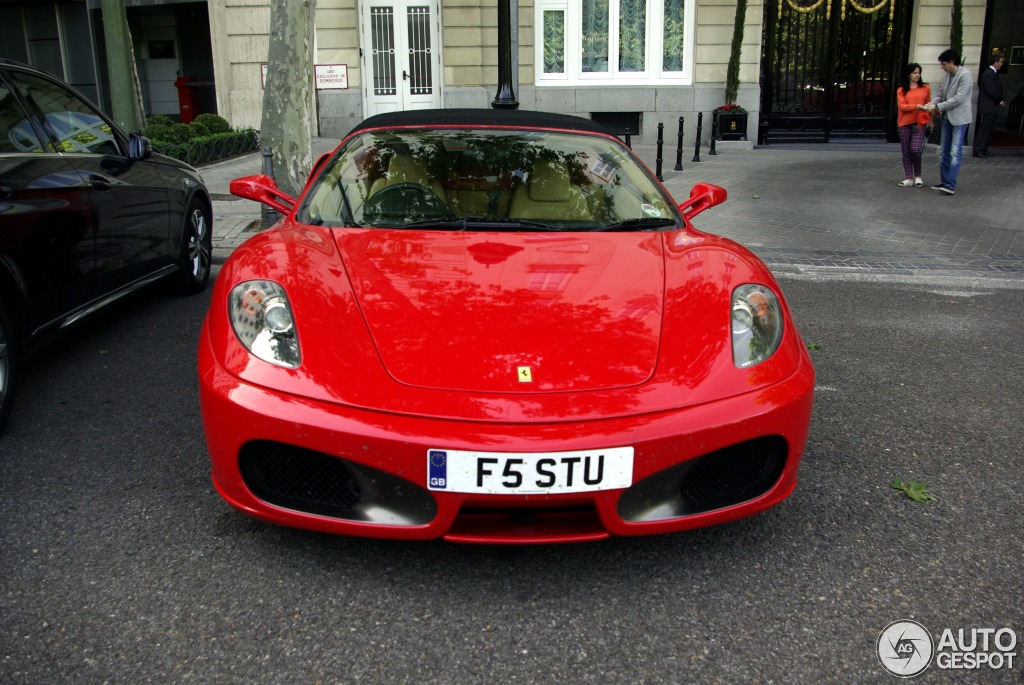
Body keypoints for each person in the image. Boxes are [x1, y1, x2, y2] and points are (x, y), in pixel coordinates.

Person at [923, 50, 972, 195]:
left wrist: (937, 107)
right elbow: (940, 95)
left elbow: (958, 98)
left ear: (951, 61)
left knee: (955, 151)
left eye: (943, 64)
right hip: (947, 118)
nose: (942, 67)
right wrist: (928, 105)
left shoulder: (965, 75)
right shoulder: (946, 77)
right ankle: (945, 181)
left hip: (959, 118)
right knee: (944, 151)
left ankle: (950, 184)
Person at [895, 63, 931, 187]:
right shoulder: (901, 90)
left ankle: (918, 175)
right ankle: (909, 177)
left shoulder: (925, 87)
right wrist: (916, 106)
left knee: (915, 149)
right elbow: (902, 106)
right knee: (905, 151)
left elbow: (929, 104)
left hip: (920, 122)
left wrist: (931, 120)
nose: (917, 75)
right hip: (904, 122)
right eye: (914, 73)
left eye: (918, 73)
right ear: (908, 74)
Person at [973, 52, 1006, 158]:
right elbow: (991, 90)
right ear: (995, 62)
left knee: (989, 129)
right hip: (989, 106)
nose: (1002, 64)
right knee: (985, 128)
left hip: (992, 107)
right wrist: (999, 101)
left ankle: (984, 148)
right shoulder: (988, 73)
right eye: (1001, 62)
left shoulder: (992, 73)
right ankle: (978, 149)